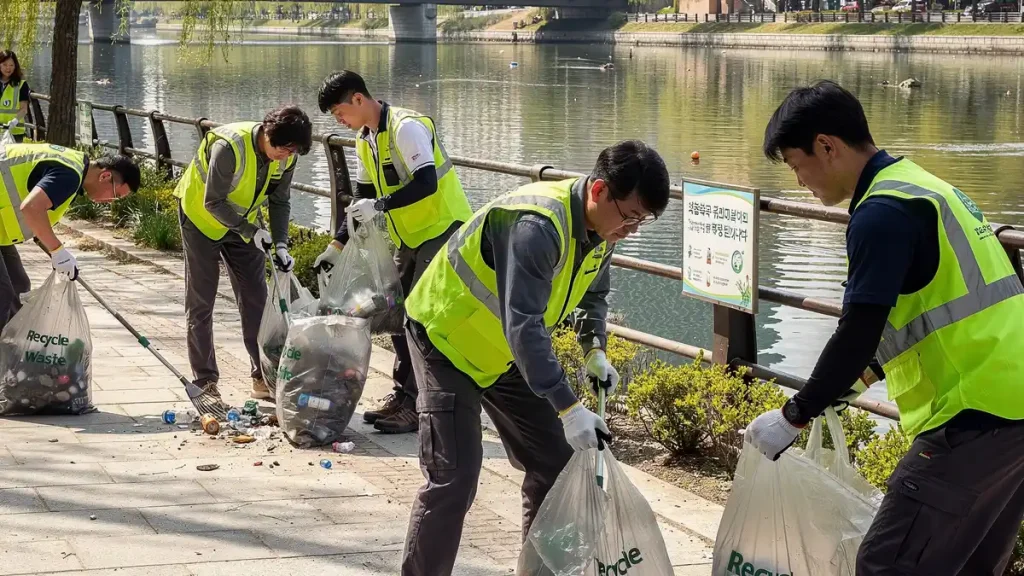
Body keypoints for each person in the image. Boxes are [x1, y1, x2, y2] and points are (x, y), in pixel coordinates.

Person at [747, 80, 1024, 574]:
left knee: (885, 564)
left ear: (825, 146)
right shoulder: (925, 187)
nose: (799, 182)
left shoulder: (881, 213)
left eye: (795, 165)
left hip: (972, 412)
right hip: (1012, 406)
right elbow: (936, 313)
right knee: (969, 565)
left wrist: (795, 413)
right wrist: (853, 382)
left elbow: (858, 329)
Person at [399, 140, 670, 575]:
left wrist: (594, 350)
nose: (632, 229)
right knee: (454, 479)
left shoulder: (603, 229)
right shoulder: (537, 226)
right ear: (599, 190)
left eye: (643, 221)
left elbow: (593, 295)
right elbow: (524, 324)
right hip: (445, 340)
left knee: (555, 462)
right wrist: (569, 407)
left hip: (503, 353)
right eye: (631, 216)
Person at [314, 70, 473, 434]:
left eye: (339, 112)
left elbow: (426, 183)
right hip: (410, 236)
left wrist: (381, 206)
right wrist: (337, 245)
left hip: (442, 229)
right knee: (396, 310)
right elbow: (362, 198)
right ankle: (404, 396)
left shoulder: (406, 128)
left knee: (420, 319)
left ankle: (420, 406)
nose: (339, 121)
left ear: (358, 99)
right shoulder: (365, 139)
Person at [173, 106, 312, 402]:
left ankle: (263, 375)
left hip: (244, 223)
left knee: (256, 299)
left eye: (293, 152)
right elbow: (213, 202)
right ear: (268, 134)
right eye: (284, 149)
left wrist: (281, 244)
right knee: (201, 302)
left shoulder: (287, 156)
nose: (286, 156)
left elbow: (280, 201)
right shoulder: (230, 147)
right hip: (201, 219)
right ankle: (205, 380)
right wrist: (251, 231)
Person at [0, 143, 140, 330]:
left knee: (18, 284)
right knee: (2, 294)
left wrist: (54, 250)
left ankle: (10, 342)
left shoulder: (74, 169)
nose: (110, 202)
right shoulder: (69, 175)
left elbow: (34, 213)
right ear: (105, 176)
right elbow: (32, 207)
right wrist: (57, 251)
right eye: (116, 195)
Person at [0, 50, 29, 143]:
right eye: (4, 65)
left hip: (16, 133)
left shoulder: (21, 84)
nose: (8, 68)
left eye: (11, 65)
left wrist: (14, 121)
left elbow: (24, 109)